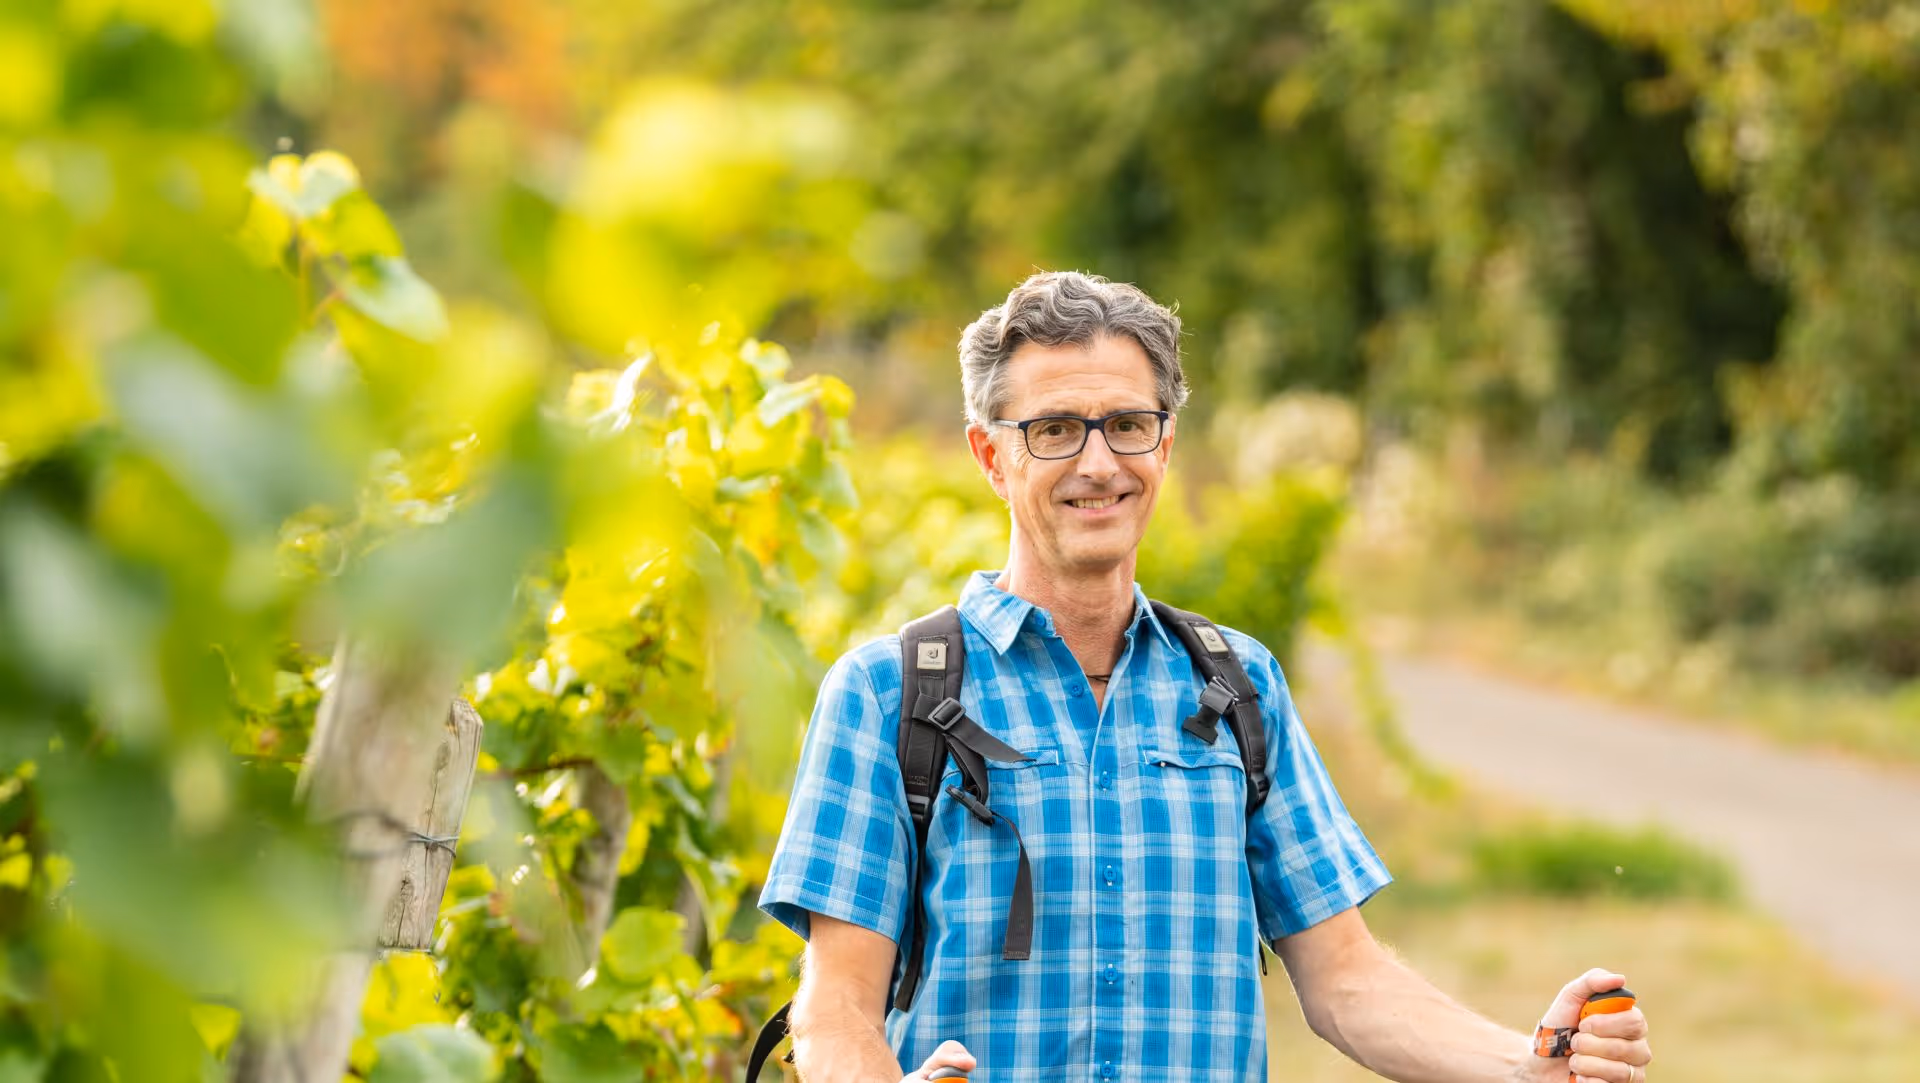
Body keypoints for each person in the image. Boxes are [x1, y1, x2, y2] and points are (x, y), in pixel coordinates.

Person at [758, 271, 1654, 1083]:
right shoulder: (890, 695)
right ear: (993, 456)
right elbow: (836, 1008)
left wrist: (1526, 1063)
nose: (1098, 463)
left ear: (1165, 443)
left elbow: (1347, 979)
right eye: (1055, 429)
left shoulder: (1237, 684)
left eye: (1127, 424)